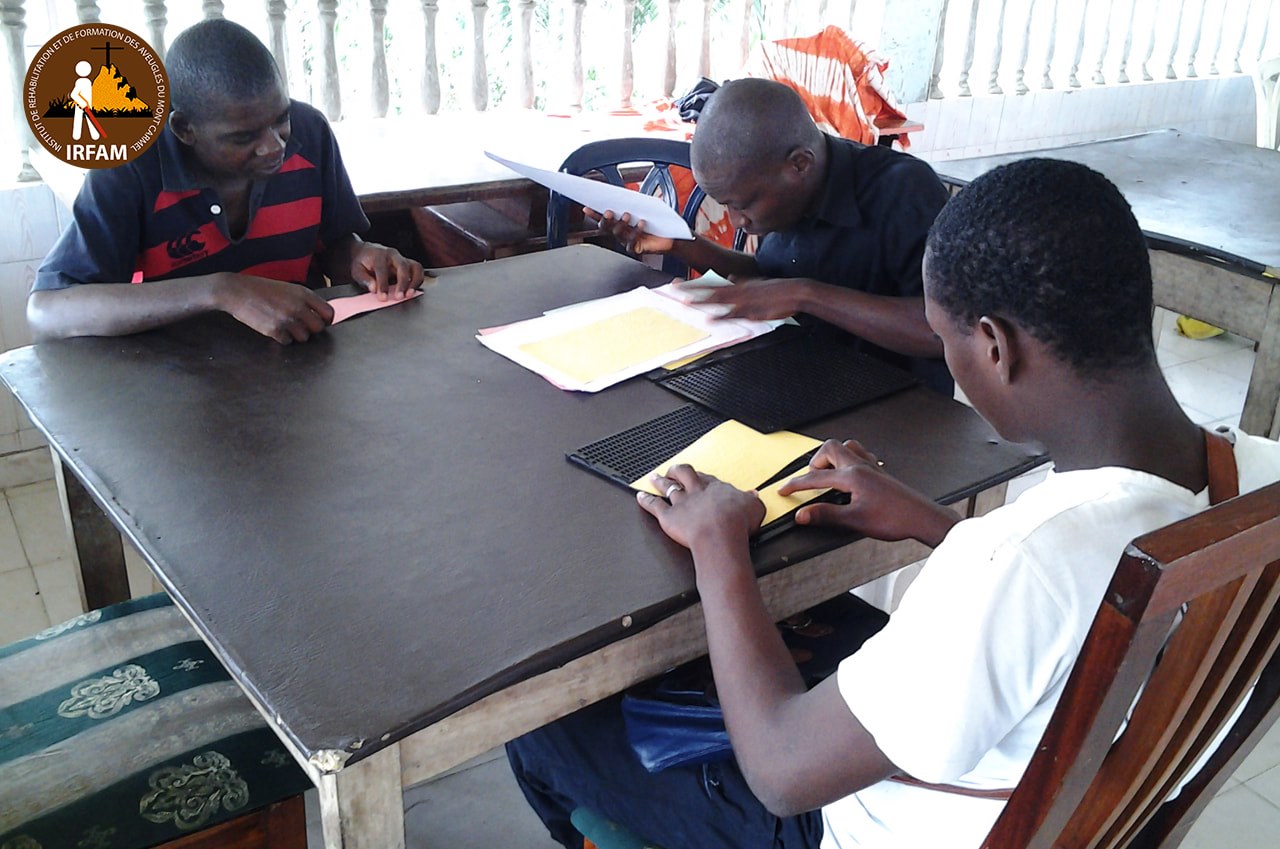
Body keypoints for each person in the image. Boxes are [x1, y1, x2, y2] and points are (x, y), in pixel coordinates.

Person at [506, 158, 1280, 849]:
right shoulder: (1260, 473)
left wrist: (718, 543)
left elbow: (782, 770)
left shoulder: (1020, 560)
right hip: (1070, 793)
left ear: (994, 346)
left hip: (852, 822)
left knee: (542, 725)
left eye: (945, 338)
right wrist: (937, 526)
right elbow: (1065, 595)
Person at [28, 19, 425, 345]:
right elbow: (47, 310)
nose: (274, 146)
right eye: (243, 137)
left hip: (299, 357)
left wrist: (359, 256)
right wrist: (221, 291)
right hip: (179, 377)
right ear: (184, 129)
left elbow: (334, 245)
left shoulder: (310, 132)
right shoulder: (132, 166)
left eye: (280, 120)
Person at [594, 77, 952, 392]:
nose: (736, 221)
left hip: (896, 408)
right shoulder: (787, 193)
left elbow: (945, 331)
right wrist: (683, 245)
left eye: (743, 205)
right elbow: (772, 278)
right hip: (800, 379)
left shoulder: (905, 192)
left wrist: (806, 295)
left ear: (799, 164)